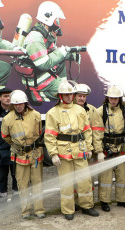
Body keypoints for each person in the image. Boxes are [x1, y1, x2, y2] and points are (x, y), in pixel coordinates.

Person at [44, 80, 98, 220]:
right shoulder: (52, 113)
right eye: (66, 95)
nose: (69, 97)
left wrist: (89, 148)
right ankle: (68, 210)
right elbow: (49, 136)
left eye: (71, 94)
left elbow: (87, 130)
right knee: (66, 182)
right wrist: (53, 154)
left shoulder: (80, 110)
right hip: (64, 152)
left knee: (85, 180)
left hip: (80, 150)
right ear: (60, 96)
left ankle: (87, 206)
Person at [19, 1, 80, 105]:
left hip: (39, 75)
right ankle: (35, 95)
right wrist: (61, 53)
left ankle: (61, 89)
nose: (58, 22)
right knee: (71, 91)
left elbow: (53, 53)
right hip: (37, 79)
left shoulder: (45, 35)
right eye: (57, 19)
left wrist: (71, 55)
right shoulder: (36, 38)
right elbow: (43, 64)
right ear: (48, 18)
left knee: (67, 87)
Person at [1, 90, 45, 219]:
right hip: (19, 155)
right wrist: (18, 145)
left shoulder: (35, 115)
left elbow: (39, 132)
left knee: (38, 183)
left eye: (21, 104)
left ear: (25, 103)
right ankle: (26, 211)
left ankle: (39, 210)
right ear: (12, 105)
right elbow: (5, 136)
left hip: (35, 154)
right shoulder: (7, 119)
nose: (18, 106)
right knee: (22, 185)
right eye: (16, 104)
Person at [92, 85, 125, 212]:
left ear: (120, 99)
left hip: (121, 148)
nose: (114, 101)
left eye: (116, 98)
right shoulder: (100, 111)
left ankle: (122, 200)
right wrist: (99, 152)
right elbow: (97, 133)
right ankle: (104, 201)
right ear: (107, 98)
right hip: (106, 149)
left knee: (122, 176)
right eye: (111, 98)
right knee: (105, 177)